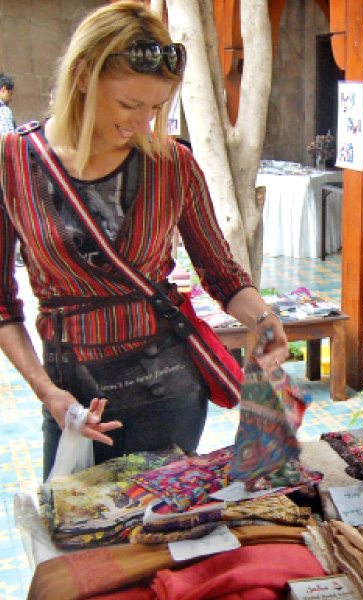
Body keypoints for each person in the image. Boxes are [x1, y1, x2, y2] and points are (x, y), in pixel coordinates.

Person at [0, 1, 289, 480]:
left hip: (169, 390)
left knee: (162, 532)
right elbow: (3, 305)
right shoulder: (13, 163)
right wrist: (47, 394)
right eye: (129, 105)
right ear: (83, 78)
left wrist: (263, 317)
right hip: (72, 393)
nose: (144, 124)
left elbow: (221, 273)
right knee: (81, 539)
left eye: (156, 108)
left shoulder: (172, 164)